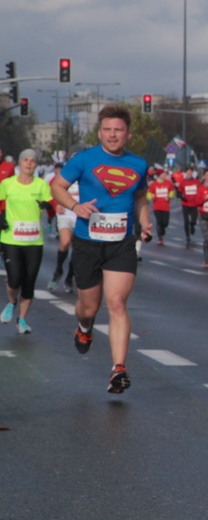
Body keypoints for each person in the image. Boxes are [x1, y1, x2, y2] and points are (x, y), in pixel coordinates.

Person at [51, 105, 153, 395]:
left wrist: (145, 223)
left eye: (118, 130)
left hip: (122, 242)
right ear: (99, 133)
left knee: (117, 302)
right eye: (107, 129)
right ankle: (84, 328)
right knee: (89, 308)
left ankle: (118, 369)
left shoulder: (138, 164)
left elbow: (140, 197)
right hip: (88, 242)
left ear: (128, 134)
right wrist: (75, 206)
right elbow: (57, 187)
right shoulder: (84, 159)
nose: (112, 134)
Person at [0, 150, 54, 334]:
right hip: (11, 239)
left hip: (34, 241)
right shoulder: (8, 184)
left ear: (36, 164)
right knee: (15, 279)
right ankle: (11, 302)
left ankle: (22, 319)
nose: (29, 163)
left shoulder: (41, 185)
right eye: (25, 160)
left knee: (29, 282)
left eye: (32, 161)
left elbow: (52, 204)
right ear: (20, 163)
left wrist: (49, 206)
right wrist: (1, 217)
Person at [45, 162, 78, 292]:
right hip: (65, 214)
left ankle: (69, 277)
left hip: (81, 215)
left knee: (77, 249)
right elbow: (52, 191)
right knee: (65, 241)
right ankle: (58, 271)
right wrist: (55, 204)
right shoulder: (63, 175)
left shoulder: (89, 176)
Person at [147, 168, 175, 245]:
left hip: (166, 207)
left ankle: (163, 229)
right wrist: (151, 197)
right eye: (163, 174)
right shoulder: (153, 184)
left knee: (165, 223)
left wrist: (169, 197)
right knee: (159, 222)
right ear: (159, 175)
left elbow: (172, 192)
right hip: (157, 207)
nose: (165, 175)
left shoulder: (168, 183)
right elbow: (148, 194)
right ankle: (160, 237)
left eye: (165, 174)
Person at [178, 167, 200, 248]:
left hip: (194, 204)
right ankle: (187, 236)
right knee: (186, 221)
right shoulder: (183, 182)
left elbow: (201, 190)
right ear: (186, 173)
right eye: (188, 172)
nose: (189, 173)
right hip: (185, 204)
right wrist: (182, 197)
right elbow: (178, 193)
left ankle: (192, 225)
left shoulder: (197, 182)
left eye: (191, 172)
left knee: (194, 220)